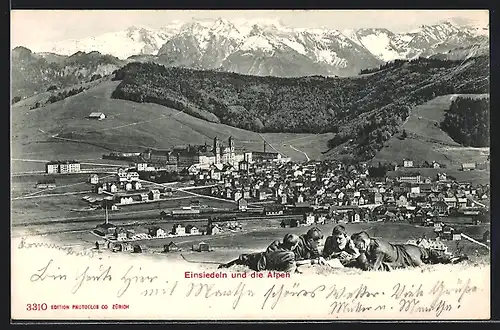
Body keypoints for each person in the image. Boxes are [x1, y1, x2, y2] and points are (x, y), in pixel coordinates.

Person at [350, 231, 468, 271]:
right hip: (407, 249)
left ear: (364, 241)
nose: (356, 247)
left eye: (357, 244)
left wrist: (360, 257)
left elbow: (372, 269)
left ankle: (450, 261)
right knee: (429, 253)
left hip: (407, 257)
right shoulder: (373, 242)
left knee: (429, 265)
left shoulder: (377, 249)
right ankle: (451, 258)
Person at [218, 233, 300, 272]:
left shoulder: (276, 244)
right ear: (293, 246)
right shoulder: (290, 255)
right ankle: (226, 266)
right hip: (261, 265)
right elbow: (289, 268)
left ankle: (226, 265)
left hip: (258, 257)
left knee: (243, 259)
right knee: (244, 260)